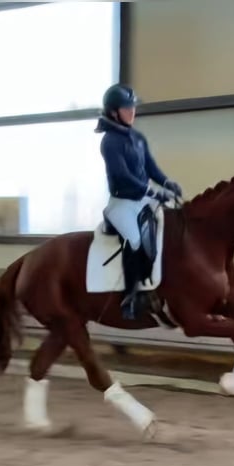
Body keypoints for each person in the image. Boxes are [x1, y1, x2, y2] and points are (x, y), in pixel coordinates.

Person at [94, 83, 183, 320]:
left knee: (170, 227)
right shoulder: (110, 141)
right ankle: (131, 295)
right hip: (122, 202)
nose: (132, 111)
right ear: (114, 112)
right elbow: (123, 176)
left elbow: (150, 167)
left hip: (142, 199)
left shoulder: (137, 137)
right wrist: (153, 193)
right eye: (127, 107)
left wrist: (167, 183)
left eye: (133, 107)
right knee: (134, 240)